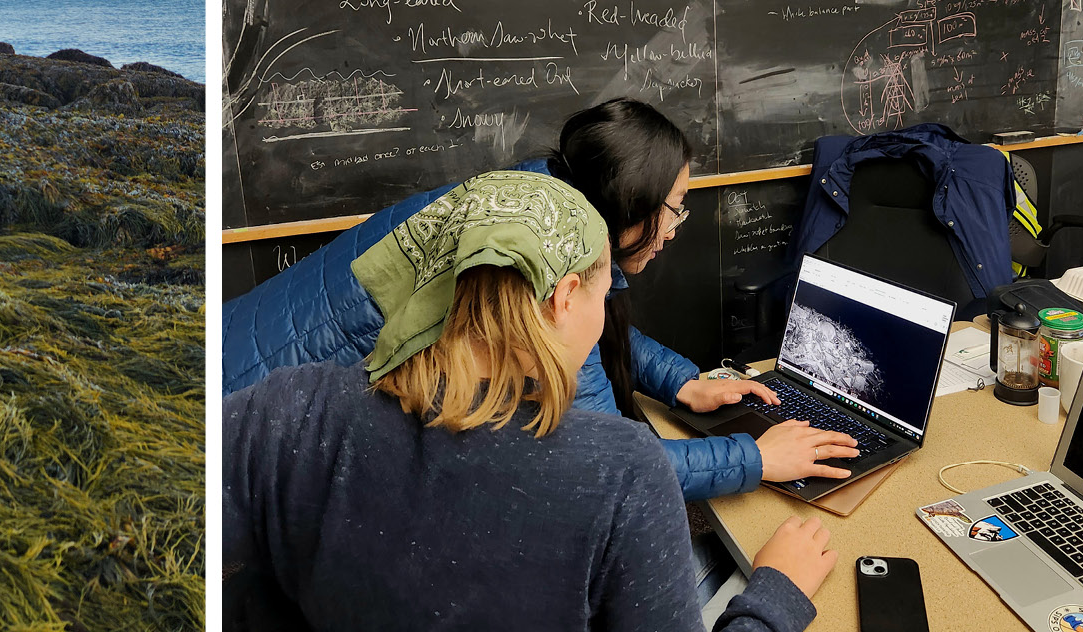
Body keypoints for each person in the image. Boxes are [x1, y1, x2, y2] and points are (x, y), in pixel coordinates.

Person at [224, 170, 834, 631]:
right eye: (603, 297)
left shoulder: (289, 410)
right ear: (565, 296)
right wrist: (774, 595)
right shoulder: (621, 475)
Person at [221, 98, 856, 500]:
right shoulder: (542, 273)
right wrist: (756, 456)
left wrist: (683, 383)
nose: (673, 230)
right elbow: (602, 461)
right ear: (627, 209)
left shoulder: (535, 200)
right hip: (236, 447)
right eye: (671, 211)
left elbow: (597, 330)